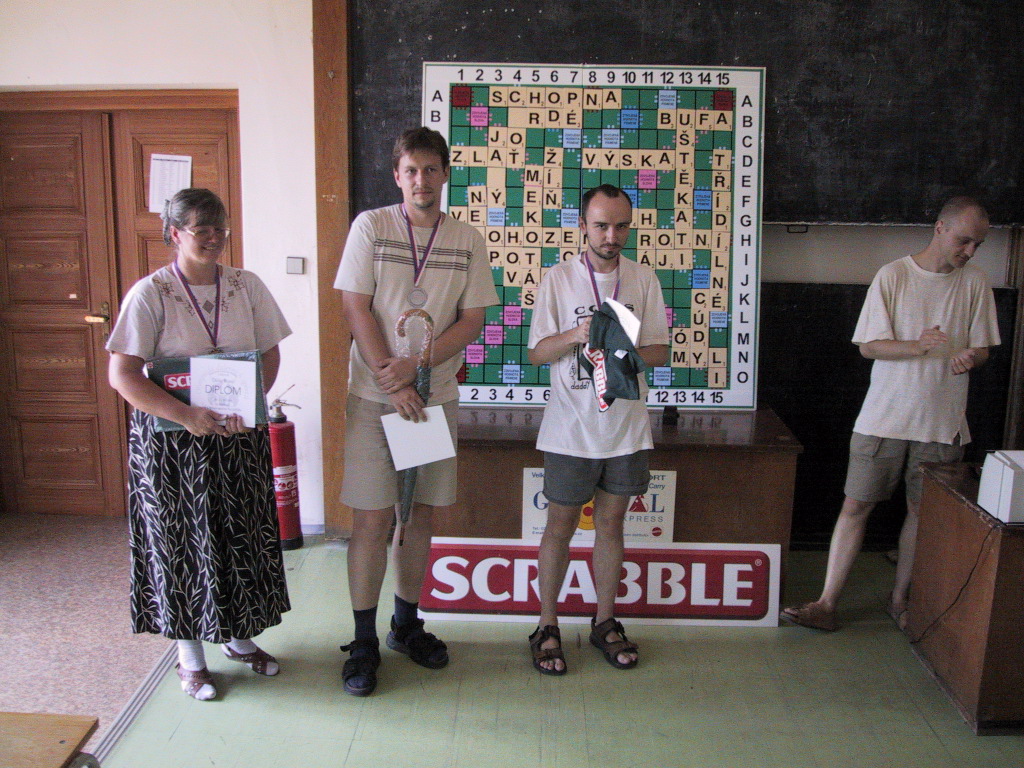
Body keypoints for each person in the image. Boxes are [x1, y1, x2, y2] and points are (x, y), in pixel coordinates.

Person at [781, 196, 1000, 632]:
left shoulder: (976, 282)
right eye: (964, 240)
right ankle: (826, 602)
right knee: (856, 505)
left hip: (943, 423)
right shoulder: (894, 275)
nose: (970, 251)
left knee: (922, 513)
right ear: (940, 228)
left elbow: (983, 349)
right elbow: (869, 346)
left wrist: (970, 358)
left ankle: (900, 600)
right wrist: (917, 346)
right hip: (884, 418)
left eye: (978, 244)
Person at [106, 188, 292, 700]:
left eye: (219, 229)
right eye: (200, 230)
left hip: (235, 438)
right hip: (174, 444)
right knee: (181, 544)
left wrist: (248, 405)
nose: (213, 239)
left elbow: (270, 353)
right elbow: (123, 374)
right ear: (174, 234)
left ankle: (238, 638)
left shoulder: (246, 286)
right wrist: (187, 415)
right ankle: (189, 657)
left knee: (239, 537)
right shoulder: (150, 293)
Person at [333, 127, 499, 696]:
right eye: (411, 170)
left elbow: (472, 320)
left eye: (431, 169)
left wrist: (417, 368)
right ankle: (363, 641)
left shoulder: (466, 239)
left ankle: (406, 625)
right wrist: (391, 375)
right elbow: (354, 306)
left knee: (418, 514)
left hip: (429, 400)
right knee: (372, 518)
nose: (421, 180)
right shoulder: (371, 227)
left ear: (445, 173)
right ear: (397, 176)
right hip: (374, 396)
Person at [526, 184, 670, 674]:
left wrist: (625, 353)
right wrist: (576, 334)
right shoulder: (558, 278)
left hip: (625, 429)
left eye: (621, 225)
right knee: (559, 528)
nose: (612, 235)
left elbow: (660, 350)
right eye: (602, 225)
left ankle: (604, 621)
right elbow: (537, 353)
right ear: (582, 225)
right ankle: (547, 625)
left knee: (611, 526)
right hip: (570, 430)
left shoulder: (643, 278)